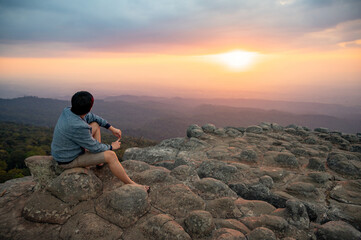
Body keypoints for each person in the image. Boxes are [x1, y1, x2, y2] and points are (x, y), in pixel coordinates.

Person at [51, 91, 149, 191]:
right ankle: (132, 184)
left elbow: (93, 117)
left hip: (65, 150)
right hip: (68, 160)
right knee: (111, 156)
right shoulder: (78, 126)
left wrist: (111, 128)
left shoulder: (68, 111)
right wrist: (111, 147)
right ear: (90, 107)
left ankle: (99, 162)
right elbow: (94, 147)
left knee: (95, 125)